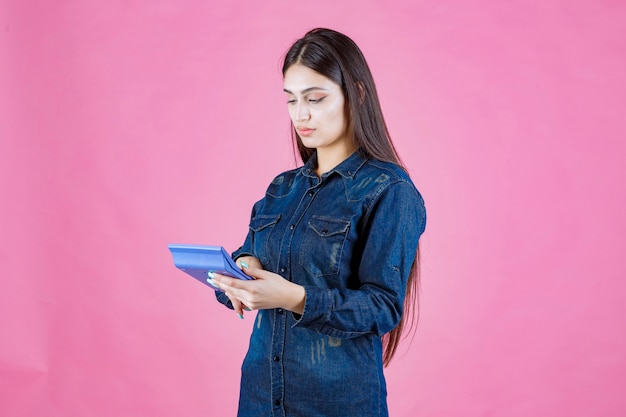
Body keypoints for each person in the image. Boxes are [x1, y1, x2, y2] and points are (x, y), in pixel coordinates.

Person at [210, 28, 427, 417]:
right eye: (291, 100)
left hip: (338, 403)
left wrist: (293, 298)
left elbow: (381, 307)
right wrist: (242, 270)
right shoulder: (282, 187)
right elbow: (250, 257)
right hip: (260, 398)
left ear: (356, 94)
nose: (300, 115)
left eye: (315, 99)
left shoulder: (388, 189)